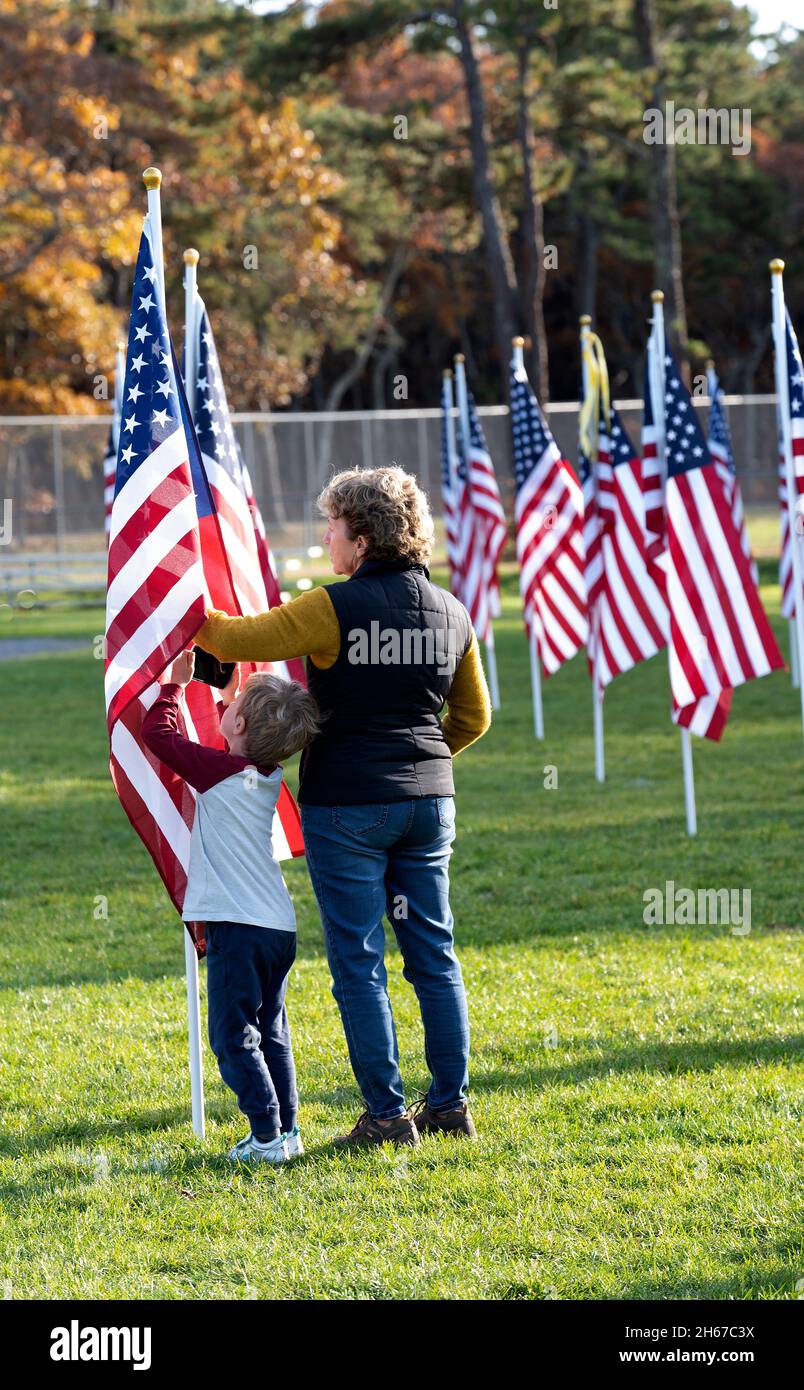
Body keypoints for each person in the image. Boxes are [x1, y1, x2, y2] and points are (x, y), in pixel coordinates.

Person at [195, 465, 492, 1148]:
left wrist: (186, 604)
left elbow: (239, 640)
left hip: (347, 807)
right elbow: (473, 718)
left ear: (360, 540)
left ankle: (386, 1117)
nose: (326, 537)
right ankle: (449, 1107)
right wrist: (416, 762)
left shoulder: (332, 606)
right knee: (435, 956)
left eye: (332, 525)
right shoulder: (454, 612)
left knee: (359, 963)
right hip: (428, 804)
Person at [141, 654, 319, 1164]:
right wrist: (228, 702)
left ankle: (265, 1134)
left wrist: (173, 688)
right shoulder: (264, 773)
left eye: (233, 705)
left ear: (238, 725)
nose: (228, 698)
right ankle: (287, 1130)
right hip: (277, 926)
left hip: (237, 928)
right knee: (272, 1032)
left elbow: (161, 740)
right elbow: (238, 750)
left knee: (231, 1035)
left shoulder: (221, 774)